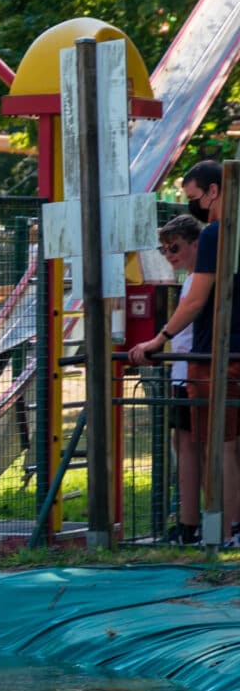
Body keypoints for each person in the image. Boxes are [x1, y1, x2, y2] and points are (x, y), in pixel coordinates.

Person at [126, 161, 240, 545]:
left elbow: (194, 301)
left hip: (218, 356)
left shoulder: (214, 234)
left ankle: (220, 535)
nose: (195, 206)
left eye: (195, 198)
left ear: (213, 191)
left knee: (219, 447)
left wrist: (160, 338)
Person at [151, 216, 203, 543]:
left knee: (187, 447)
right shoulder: (193, 280)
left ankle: (189, 524)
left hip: (190, 374)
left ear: (195, 244)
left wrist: (159, 339)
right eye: (164, 249)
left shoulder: (197, 281)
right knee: (184, 445)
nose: (169, 254)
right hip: (185, 372)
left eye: (175, 247)